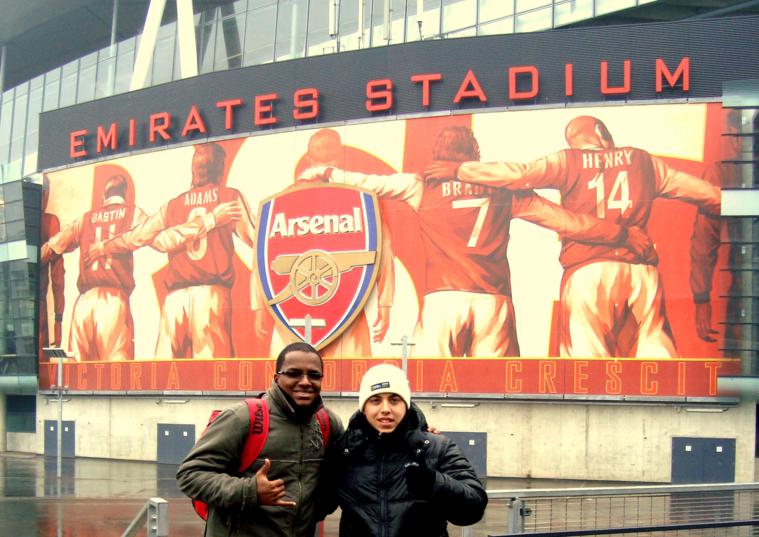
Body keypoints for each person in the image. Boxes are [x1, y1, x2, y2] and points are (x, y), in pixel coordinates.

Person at [303, 125, 653, 357]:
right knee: (497, 390)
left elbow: (371, 183)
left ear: (439, 155)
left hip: (442, 301)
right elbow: (567, 221)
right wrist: (622, 234)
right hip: (494, 302)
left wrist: (329, 173)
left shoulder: (420, 184)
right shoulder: (504, 190)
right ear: (475, 155)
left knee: (427, 394)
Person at [424, 115, 721, 358]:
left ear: (576, 143)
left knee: (586, 362)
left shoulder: (568, 161)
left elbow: (517, 174)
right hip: (641, 269)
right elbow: (711, 197)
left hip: (587, 270)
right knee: (656, 348)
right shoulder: (644, 162)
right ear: (604, 136)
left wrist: (459, 170)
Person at [86, 142, 261, 358]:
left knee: (163, 374)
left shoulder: (173, 205)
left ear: (194, 170)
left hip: (174, 299)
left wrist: (104, 246)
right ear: (220, 169)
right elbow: (257, 242)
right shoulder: (229, 198)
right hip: (211, 295)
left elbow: (138, 236)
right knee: (212, 376)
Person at [176, 342, 344, 537]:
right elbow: (190, 475)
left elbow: (340, 477)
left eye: (314, 375)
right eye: (294, 373)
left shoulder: (327, 423)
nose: (305, 381)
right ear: (277, 378)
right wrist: (250, 491)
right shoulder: (242, 417)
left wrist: (319, 509)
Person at [320, 363, 487, 536]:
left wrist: (435, 484)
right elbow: (318, 507)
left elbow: (474, 508)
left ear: (406, 405)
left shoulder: (437, 448)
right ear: (364, 407)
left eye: (394, 400)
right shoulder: (344, 452)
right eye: (375, 400)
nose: (385, 409)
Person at [41, 173, 146, 360]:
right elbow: (153, 231)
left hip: (84, 302)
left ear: (103, 197)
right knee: (116, 375)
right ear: (125, 194)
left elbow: (52, 246)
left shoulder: (86, 218)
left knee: (76, 375)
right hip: (114, 299)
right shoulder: (133, 212)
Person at [39, 174, 65, 350]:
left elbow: (58, 278)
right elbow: (58, 279)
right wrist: (58, 320)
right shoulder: (49, 222)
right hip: (36, 306)